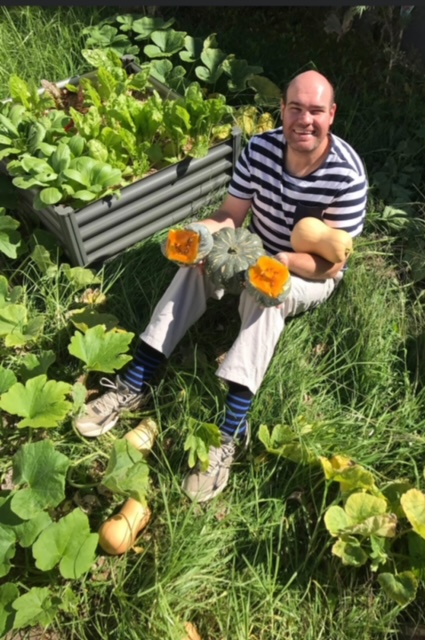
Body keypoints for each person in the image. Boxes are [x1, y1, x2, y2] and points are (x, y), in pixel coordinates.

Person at [74, 70, 368, 503]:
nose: (304, 120)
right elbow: (231, 213)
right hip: (254, 248)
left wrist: (281, 262)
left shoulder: (347, 175)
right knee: (193, 267)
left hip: (308, 272)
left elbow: (330, 264)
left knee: (267, 295)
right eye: (295, 108)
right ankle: (134, 382)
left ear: (332, 115)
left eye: (316, 111)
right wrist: (201, 234)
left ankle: (229, 430)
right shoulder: (262, 148)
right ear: (282, 110)